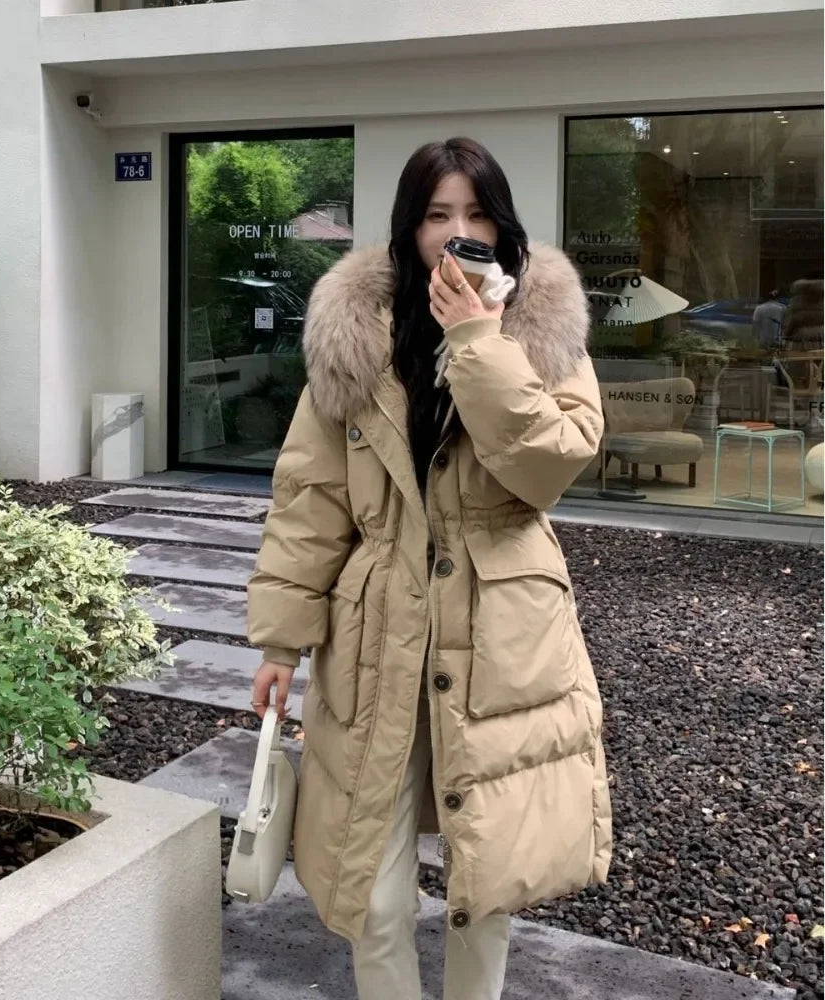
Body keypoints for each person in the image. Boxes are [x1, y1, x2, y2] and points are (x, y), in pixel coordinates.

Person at [247, 136, 612, 1000]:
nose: (458, 233)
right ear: (408, 227)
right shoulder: (353, 335)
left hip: (502, 633)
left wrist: (480, 340)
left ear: (502, 223)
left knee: (487, 881)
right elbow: (310, 499)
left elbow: (550, 466)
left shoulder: (542, 326)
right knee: (372, 892)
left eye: (477, 214)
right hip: (378, 630)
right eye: (438, 214)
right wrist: (280, 643)